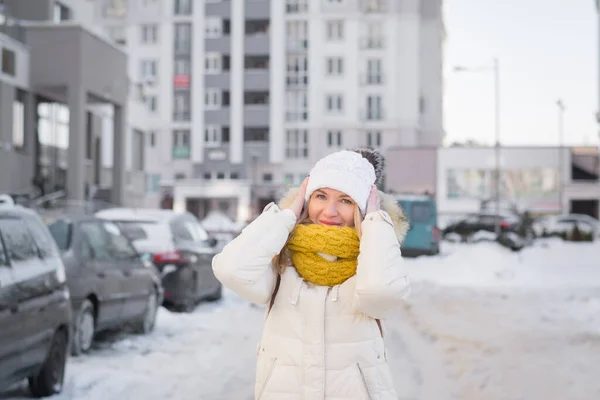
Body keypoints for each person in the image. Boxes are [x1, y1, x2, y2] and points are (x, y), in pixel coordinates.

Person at [212, 148, 410, 400]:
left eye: (346, 200)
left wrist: (376, 222)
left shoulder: (374, 259)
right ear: (306, 199)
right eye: (320, 196)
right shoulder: (280, 262)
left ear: (362, 209)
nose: (330, 211)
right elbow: (230, 269)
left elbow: (380, 293)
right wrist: (286, 216)